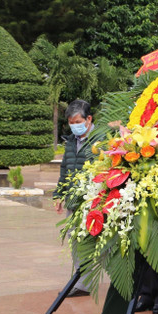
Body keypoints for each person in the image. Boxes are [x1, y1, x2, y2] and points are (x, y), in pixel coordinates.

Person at [54, 99, 96, 297]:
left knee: (96, 241)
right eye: (71, 123)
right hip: (74, 199)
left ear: (89, 119)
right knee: (76, 240)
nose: (74, 126)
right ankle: (82, 283)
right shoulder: (71, 141)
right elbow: (65, 168)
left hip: (93, 199)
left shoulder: (100, 139)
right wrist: (59, 194)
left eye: (77, 122)